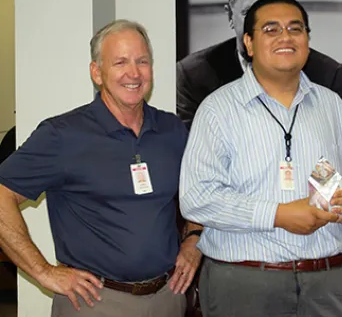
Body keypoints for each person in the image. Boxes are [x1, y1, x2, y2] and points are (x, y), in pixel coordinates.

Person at [178, 0, 342, 317]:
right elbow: (197, 198)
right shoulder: (217, 109)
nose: (286, 37)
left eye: (295, 29)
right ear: (249, 42)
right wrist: (278, 214)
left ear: (307, 40)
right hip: (246, 285)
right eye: (271, 30)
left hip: (328, 284)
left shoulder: (332, 106)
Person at [0, 20, 203, 316]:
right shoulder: (63, 135)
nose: (133, 73)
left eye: (142, 62)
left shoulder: (171, 130)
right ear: (97, 72)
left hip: (167, 298)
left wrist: (194, 239)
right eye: (120, 62)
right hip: (95, 302)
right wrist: (43, 271)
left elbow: (198, 193)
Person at [176, 0, 342, 130]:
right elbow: (195, 151)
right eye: (249, 12)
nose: (265, 23)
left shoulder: (328, 75)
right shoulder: (193, 75)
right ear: (230, 15)